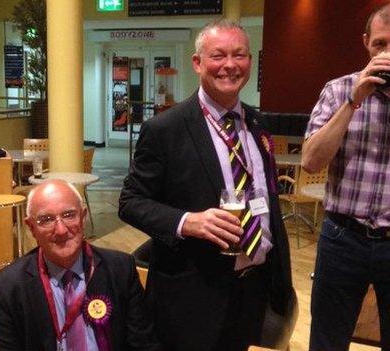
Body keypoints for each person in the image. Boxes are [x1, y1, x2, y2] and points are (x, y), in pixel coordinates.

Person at [118, 18, 294, 351]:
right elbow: (130, 202)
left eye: (239, 55)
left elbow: (267, 199)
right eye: (218, 55)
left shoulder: (258, 123)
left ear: (250, 62)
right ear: (198, 63)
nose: (230, 65)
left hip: (254, 290)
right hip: (193, 297)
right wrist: (189, 222)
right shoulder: (166, 129)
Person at [302, 2, 390, 350]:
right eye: (380, 44)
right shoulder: (338, 90)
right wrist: (354, 100)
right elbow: (311, 162)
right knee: (326, 341)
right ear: (366, 42)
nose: (388, 52)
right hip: (342, 239)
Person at [0, 179, 160, 351]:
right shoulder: (7, 288)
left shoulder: (121, 270)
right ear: (31, 227)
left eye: (69, 215)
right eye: (46, 220)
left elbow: (144, 345)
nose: (61, 230)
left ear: (83, 217)